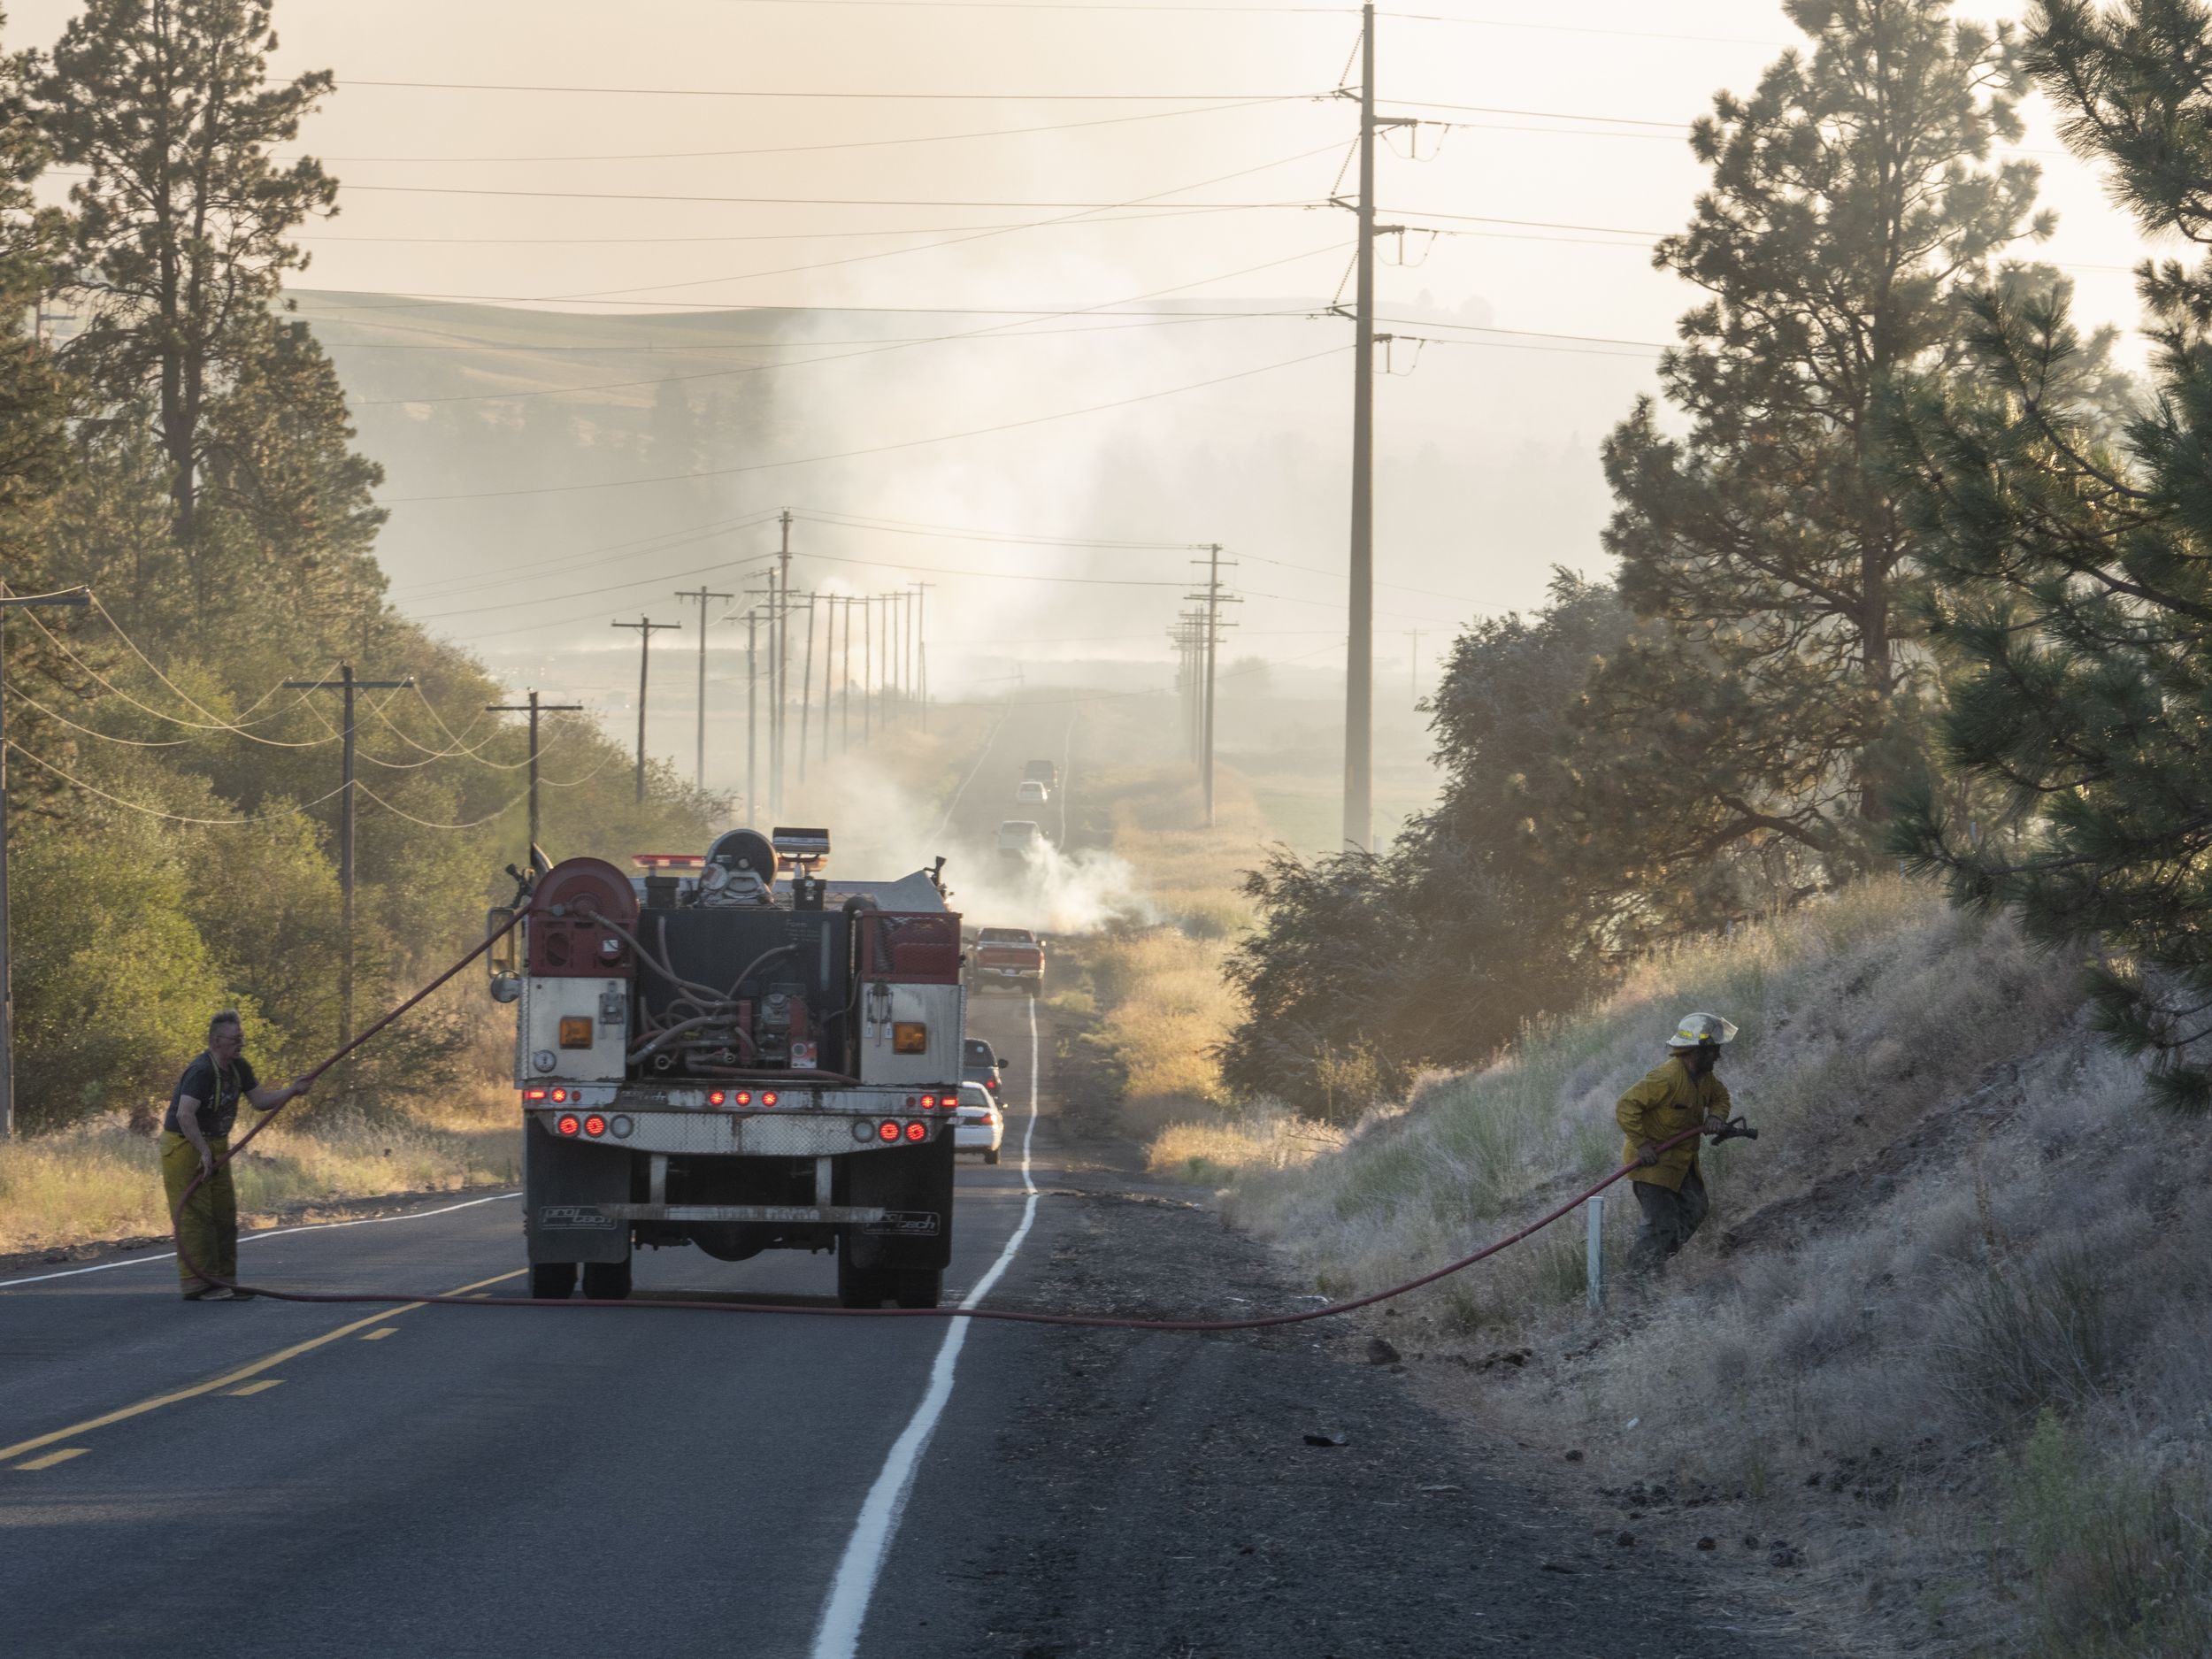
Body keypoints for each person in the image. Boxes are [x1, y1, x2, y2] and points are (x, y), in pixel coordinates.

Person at [160, 1011, 310, 1301]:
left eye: (242, 1038)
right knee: (197, 1216)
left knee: (224, 1213)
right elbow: (184, 1113)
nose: (241, 1044)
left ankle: (225, 1281)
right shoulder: (201, 1071)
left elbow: (260, 1101)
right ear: (216, 1041)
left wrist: (292, 1090)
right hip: (184, 1145)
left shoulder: (239, 1067)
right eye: (235, 1039)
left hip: (216, 1144)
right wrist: (202, 1151)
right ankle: (200, 1284)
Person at [1616, 1011, 1738, 1275]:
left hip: (1682, 1163)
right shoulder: (1667, 1077)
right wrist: (1643, 1144)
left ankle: (1653, 1263)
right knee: (1661, 1225)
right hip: (1653, 1165)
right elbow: (1626, 1106)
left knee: (1696, 1208)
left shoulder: (1705, 1079)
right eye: (1714, 1050)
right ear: (1698, 1051)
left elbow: (1721, 1097)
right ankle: (1636, 1280)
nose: (1718, 1056)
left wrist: (1716, 1116)